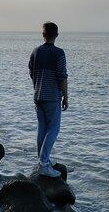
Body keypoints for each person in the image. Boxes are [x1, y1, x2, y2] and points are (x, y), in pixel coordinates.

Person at [28, 22, 68, 177]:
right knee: (54, 129)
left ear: (43, 35)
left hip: (37, 95)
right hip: (51, 96)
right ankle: (44, 163)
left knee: (42, 129)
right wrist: (65, 96)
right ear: (56, 35)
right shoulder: (59, 53)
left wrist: (37, 86)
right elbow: (62, 76)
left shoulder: (35, 51)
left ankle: (42, 161)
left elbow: (31, 72)